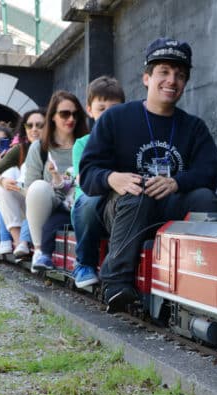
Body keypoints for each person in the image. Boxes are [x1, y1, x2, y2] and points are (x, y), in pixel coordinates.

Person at [80, 37, 217, 313]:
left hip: (170, 207)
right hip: (124, 210)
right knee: (137, 194)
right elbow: (88, 172)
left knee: (206, 198)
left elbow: (211, 170)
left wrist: (176, 182)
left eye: (180, 75)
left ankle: (202, 277)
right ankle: (116, 283)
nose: (172, 80)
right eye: (164, 72)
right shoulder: (115, 118)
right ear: (147, 78)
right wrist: (113, 178)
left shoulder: (194, 127)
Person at [71, 76, 125, 289]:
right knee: (90, 201)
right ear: (89, 110)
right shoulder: (83, 143)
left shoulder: (128, 141)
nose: (108, 115)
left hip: (117, 202)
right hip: (90, 201)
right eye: (101, 109)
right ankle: (84, 263)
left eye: (114, 109)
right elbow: (83, 179)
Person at [25, 91, 89, 271]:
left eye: (75, 114)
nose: (71, 119)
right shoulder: (40, 147)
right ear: (52, 116)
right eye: (64, 114)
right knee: (38, 188)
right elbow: (29, 188)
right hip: (51, 204)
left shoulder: (87, 143)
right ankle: (39, 250)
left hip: (80, 203)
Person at [0, 108, 46, 257]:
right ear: (24, 129)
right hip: (26, 198)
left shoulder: (54, 147)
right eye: (29, 126)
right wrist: (2, 181)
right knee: (3, 185)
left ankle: (18, 243)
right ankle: (19, 243)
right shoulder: (20, 149)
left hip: (49, 197)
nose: (34, 130)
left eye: (39, 125)